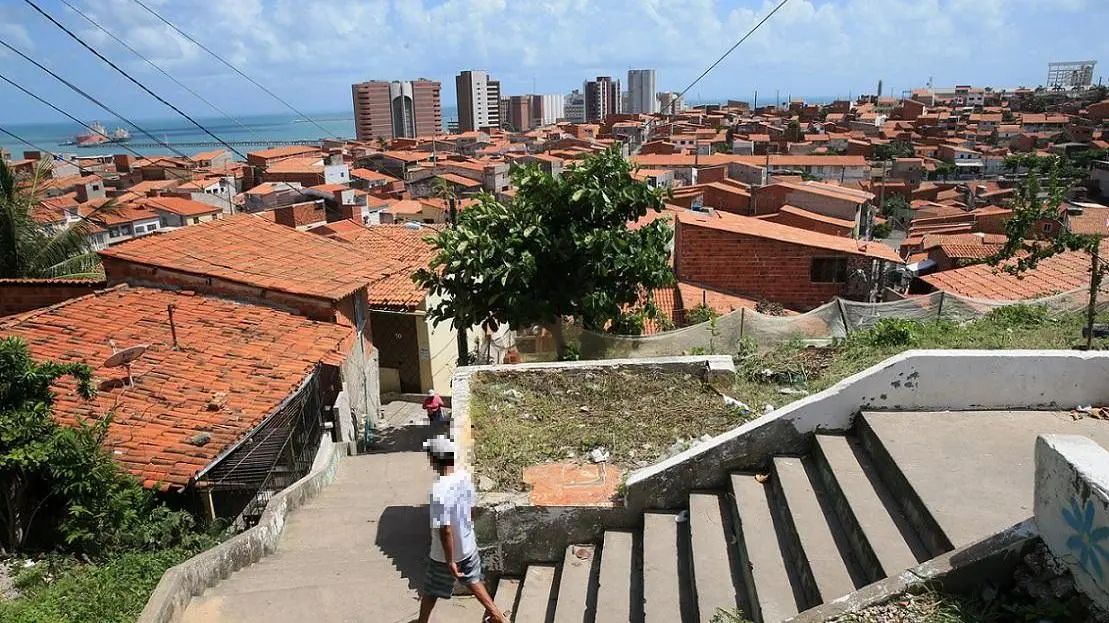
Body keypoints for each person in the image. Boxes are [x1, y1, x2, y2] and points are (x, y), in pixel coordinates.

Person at [418, 436, 508, 623]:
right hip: (467, 544)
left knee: (431, 589)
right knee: (474, 580)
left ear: (434, 459)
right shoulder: (464, 477)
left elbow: (445, 530)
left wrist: (450, 561)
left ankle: (422, 621)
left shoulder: (439, 490)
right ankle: (497, 615)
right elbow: (470, 510)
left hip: (444, 555)